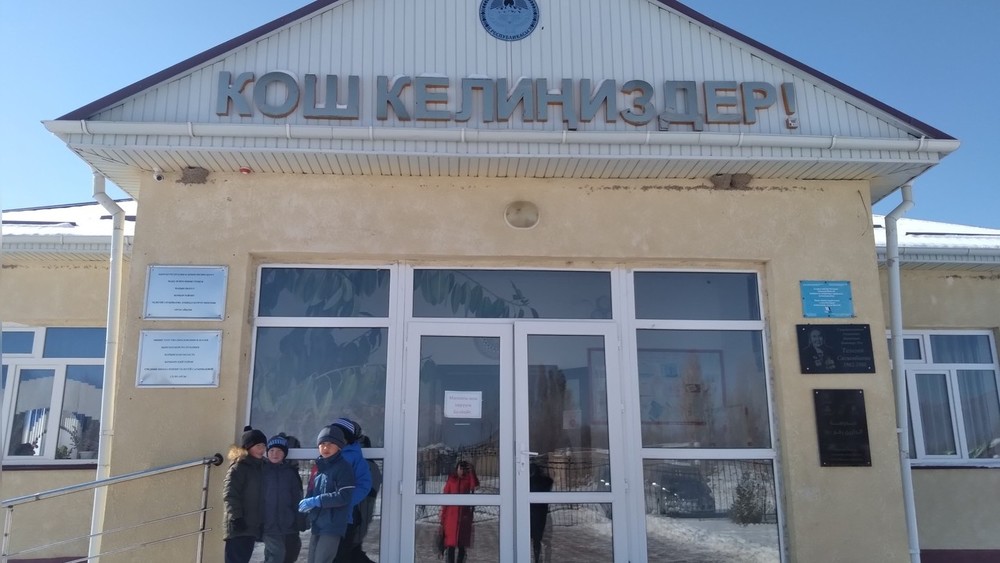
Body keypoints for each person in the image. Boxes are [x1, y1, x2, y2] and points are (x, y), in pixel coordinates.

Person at [299, 424, 356, 563]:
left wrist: (318, 500)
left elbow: (344, 496)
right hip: (317, 524)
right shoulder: (319, 468)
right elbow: (312, 491)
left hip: (332, 525)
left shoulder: (343, 467)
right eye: (323, 444)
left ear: (339, 447)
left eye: (331, 444)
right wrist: (307, 508)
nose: (326, 448)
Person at [326, 418, 373, 563]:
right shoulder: (328, 454)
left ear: (346, 437)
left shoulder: (354, 457)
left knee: (341, 554)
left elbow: (364, 484)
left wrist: (345, 500)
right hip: (326, 515)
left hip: (346, 516)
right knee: (326, 554)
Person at [223, 425, 268, 563]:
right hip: (239, 526)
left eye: (264, 446)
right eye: (258, 446)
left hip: (253, 526)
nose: (262, 449)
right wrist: (236, 518)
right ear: (248, 447)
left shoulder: (262, 467)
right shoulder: (239, 467)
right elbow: (230, 495)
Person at [262, 433, 303, 563]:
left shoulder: (290, 473)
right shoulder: (262, 471)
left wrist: (300, 519)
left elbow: (297, 498)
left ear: (285, 454)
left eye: (279, 451)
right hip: (268, 524)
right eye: (272, 450)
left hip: (288, 523)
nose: (275, 454)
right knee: (277, 553)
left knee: (291, 553)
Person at [440, 460, 479, 563]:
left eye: (464, 469)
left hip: (464, 517)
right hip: (451, 517)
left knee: (462, 545)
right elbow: (445, 498)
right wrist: (443, 517)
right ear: (456, 469)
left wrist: (472, 472)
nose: (462, 471)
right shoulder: (451, 480)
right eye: (460, 468)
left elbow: (474, 485)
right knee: (450, 545)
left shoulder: (468, 480)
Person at [528, 463, 554, 563]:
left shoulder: (529, 482)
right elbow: (550, 481)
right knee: (538, 539)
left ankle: (532, 558)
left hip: (531, 513)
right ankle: (537, 559)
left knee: (529, 538)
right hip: (542, 513)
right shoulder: (545, 481)